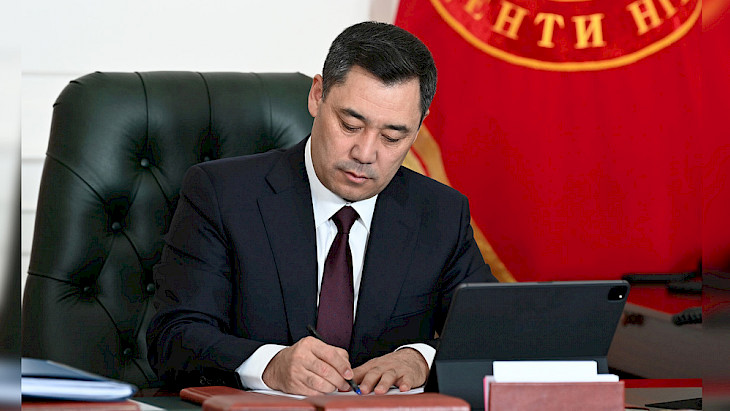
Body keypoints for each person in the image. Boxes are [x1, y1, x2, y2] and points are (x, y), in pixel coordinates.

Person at [146, 21, 494, 396]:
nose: (365, 153)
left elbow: (494, 332)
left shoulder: (441, 213)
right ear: (317, 96)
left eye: (392, 136)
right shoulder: (222, 194)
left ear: (418, 127)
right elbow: (174, 336)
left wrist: (421, 358)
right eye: (350, 124)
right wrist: (268, 365)